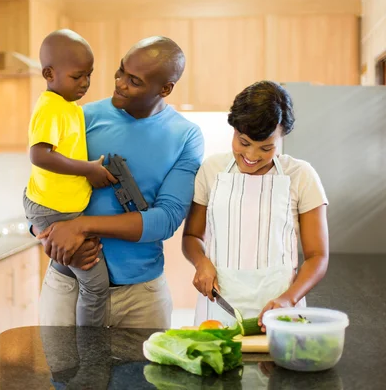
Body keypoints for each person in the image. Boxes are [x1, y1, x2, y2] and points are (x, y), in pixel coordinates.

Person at [32, 36, 204, 329]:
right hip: (68, 285)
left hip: (141, 296)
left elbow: (167, 220)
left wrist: (82, 226)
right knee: (62, 376)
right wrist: (45, 232)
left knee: (144, 377)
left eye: (134, 81)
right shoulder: (81, 116)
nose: (120, 83)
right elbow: (39, 183)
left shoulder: (186, 136)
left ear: (165, 89)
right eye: (120, 71)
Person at [182, 81, 329, 331]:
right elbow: (192, 236)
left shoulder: (301, 175)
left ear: (281, 138)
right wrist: (201, 263)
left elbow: (318, 257)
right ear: (234, 130)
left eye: (266, 148)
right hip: (218, 310)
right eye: (243, 142)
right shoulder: (211, 169)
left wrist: (288, 299)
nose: (251, 156)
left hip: (279, 313)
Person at [23, 29, 117, 327]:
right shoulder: (51, 108)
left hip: (59, 208)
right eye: (78, 76)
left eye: (89, 75)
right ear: (49, 73)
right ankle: (91, 357)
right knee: (97, 285)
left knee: (83, 276)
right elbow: (39, 155)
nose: (86, 83)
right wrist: (88, 169)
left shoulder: (70, 108)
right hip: (53, 210)